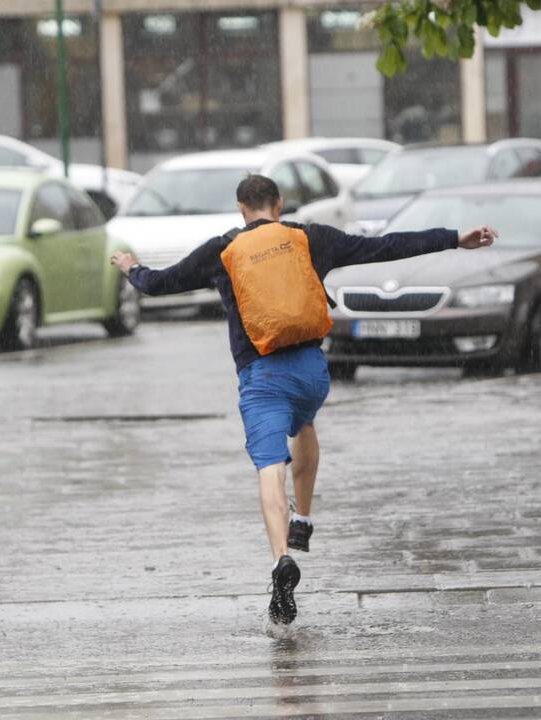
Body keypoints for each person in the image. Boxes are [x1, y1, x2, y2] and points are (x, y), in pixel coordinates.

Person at [109, 175, 496, 626]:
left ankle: (281, 558)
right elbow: (384, 246)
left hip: (262, 375)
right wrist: (454, 239)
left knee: (269, 466)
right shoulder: (311, 238)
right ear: (279, 204)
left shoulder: (222, 250)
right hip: (313, 371)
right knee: (304, 425)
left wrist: (130, 266)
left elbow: (157, 284)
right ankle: (305, 519)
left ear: (241, 209)